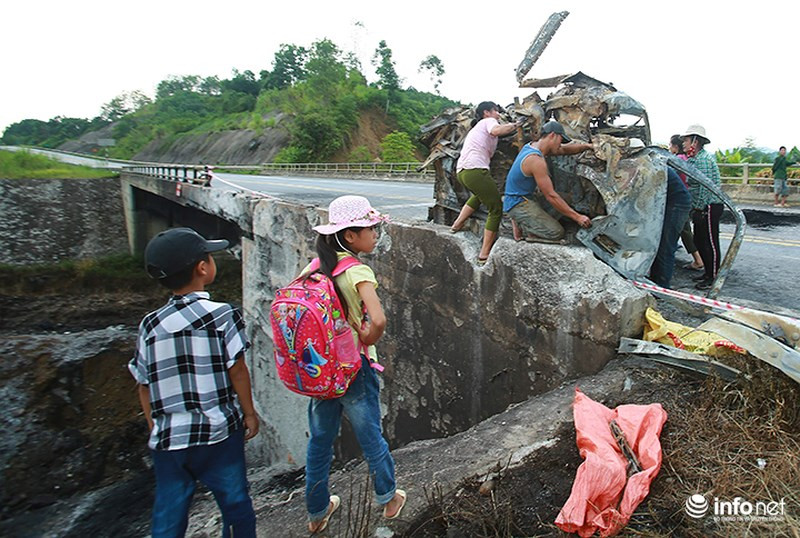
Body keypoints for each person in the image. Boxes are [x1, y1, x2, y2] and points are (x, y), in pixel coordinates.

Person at [128, 227, 261, 538]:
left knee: (169, 513)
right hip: (217, 432)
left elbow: (143, 383)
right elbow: (237, 369)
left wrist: (155, 426)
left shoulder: (150, 324)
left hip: (169, 440)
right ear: (203, 268)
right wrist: (250, 413)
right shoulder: (222, 314)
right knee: (236, 504)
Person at [304, 195, 406, 534]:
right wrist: (368, 336)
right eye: (371, 228)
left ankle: (317, 513)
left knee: (320, 440)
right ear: (350, 236)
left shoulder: (314, 267)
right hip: (354, 368)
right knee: (370, 435)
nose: (375, 234)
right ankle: (389, 499)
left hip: (321, 370)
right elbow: (378, 320)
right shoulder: (358, 271)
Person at [450, 101, 521, 264]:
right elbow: (496, 130)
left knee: (478, 196)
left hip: (463, 171)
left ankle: (457, 225)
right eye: (496, 111)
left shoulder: (476, 129)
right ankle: (484, 253)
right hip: (476, 170)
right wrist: (516, 125)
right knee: (495, 208)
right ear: (486, 113)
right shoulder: (488, 122)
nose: (498, 114)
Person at [503, 120, 594, 243]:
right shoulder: (535, 160)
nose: (560, 144)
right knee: (556, 232)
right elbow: (550, 195)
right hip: (518, 203)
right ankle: (525, 226)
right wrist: (577, 217)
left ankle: (535, 222)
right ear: (552, 135)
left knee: (566, 198)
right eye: (560, 140)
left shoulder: (531, 146)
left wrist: (588, 146)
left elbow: (565, 150)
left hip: (524, 198)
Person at [682, 125, 723, 291]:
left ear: (695, 141)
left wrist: (699, 209)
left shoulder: (703, 160)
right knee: (699, 240)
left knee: (710, 242)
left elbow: (704, 187)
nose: (683, 143)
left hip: (709, 205)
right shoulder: (694, 158)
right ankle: (707, 272)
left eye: (685, 140)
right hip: (701, 206)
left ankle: (713, 276)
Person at [649, 167, 691, 288]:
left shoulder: (649, 165)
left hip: (677, 204)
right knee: (657, 245)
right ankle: (655, 282)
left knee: (665, 246)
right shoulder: (647, 162)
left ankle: (662, 287)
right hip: (666, 203)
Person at [669, 134, 703, 271]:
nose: (670, 147)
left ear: (676, 147)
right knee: (684, 229)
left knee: (683, 230)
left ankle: (698, 259)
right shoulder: (687, 159)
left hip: (678, 200)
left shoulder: (676, 160)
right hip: (686, 197)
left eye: (670, 145)